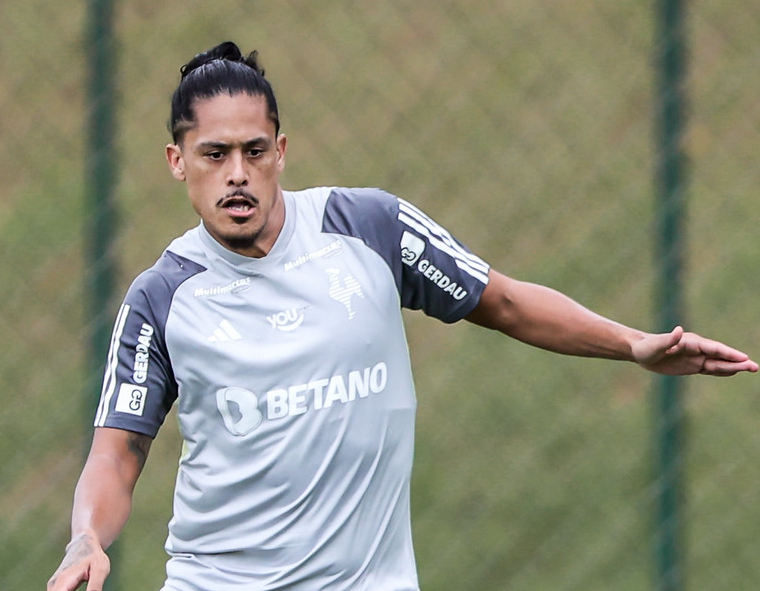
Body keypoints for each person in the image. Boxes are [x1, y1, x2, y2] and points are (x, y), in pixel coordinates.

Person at [47, 41, 756, 591]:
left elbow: (501, 299)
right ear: (177, 161)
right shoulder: (164, 296)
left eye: (254, 151)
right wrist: (87, 537)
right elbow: (118, 451)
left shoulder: (370, 229)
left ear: (281, 152)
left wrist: (632, 344)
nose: (237, 172)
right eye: (214, 154)